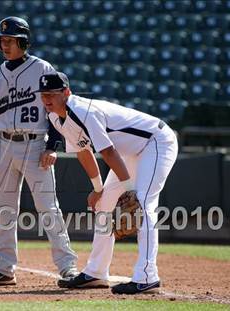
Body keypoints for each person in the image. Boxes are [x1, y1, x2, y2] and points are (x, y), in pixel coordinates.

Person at [36, 72, 178, 294]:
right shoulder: (55, 117)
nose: (46, 99)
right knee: (103, 204)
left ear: (66, 92)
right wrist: (98, 190)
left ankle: (147, 275)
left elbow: (108, 151)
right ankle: (96, 273)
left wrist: (129, 189)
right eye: (43, 94)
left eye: (51, 94)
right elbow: (83, 152)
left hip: (156, 142)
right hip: (129, 153)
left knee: (142, 203)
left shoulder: (84, 111)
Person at [0, 17, 78, 287]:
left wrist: (52, 145)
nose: (4, 45)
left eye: (9, 41)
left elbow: (57, 109)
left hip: (35, 145)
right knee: (5, 211)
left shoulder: (42, 69)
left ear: (23, 41)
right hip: (4, 147)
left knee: (48, 208)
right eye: (1, 41)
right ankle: (4, 269)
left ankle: (68, 267)